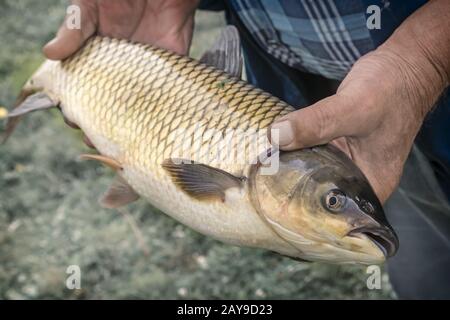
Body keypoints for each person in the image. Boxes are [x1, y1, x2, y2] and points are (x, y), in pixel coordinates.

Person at [43, 0, 450, 299]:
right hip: (290, 80)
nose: (338, 206)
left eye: (332, 201)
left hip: (428, 85)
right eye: (332, 200)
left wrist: (425, 64)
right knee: (424, 266)